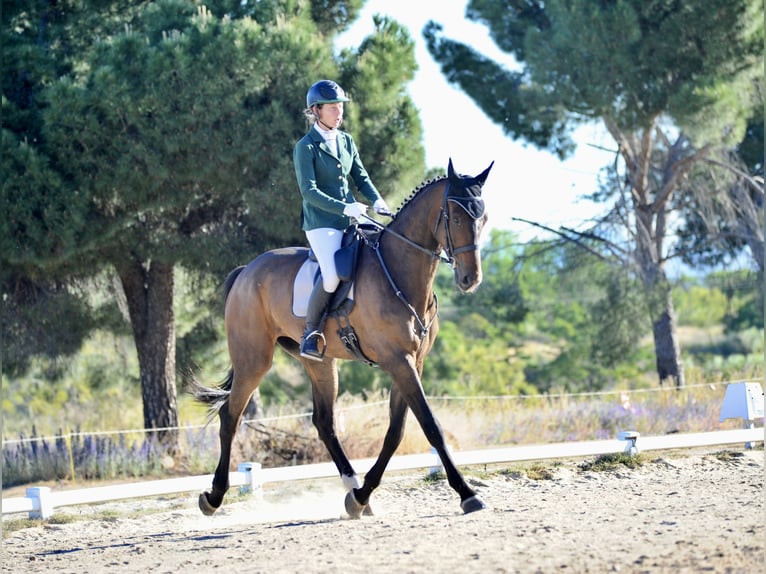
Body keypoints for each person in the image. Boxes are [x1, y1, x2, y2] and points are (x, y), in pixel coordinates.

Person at [293, 79, 390, 361]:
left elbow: (360, 177)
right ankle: (311, 333)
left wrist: (377, 200)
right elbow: (309, 192)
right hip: (321, 223)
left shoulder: (346, 140)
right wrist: (345, 208)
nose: (339, 113)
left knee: (381, 249)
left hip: (352, 216)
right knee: (333, 274)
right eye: (333, 108)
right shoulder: (305, 147)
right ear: (316, 111)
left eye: (340, 108)